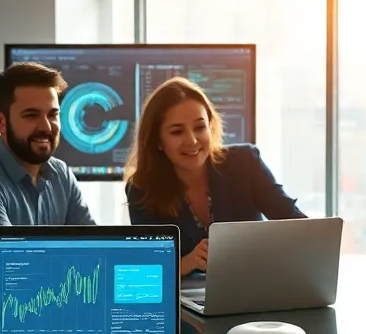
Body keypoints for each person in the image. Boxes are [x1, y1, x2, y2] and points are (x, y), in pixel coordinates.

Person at [0, 62, 96, 312]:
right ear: (2, 122)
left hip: (54, 314)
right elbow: (15, 271)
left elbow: (95, 250)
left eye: (53, 114)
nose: (46, 127)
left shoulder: (61, 174)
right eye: (31, 115)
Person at [125, 77, 304, 276]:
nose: (192, 141)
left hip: (254, 284)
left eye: (200, 127)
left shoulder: (245, 162)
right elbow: (148, 271)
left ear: (210, 127)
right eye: (177, 132)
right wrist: (188, 262)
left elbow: (298, 225)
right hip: (187, 295)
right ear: (157, 140)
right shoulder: (142, 189)